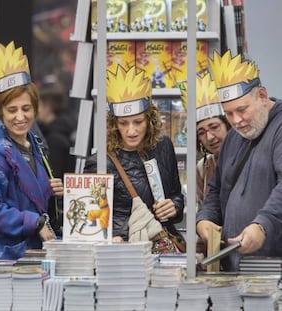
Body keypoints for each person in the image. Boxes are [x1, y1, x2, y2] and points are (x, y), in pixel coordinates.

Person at [0, 41, 64, 260]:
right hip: (2, 258)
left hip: (32, 255)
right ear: (0, 111)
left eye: (26, 109)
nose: (20, 117)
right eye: (12, 110)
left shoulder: (34, 145)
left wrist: (53, 189)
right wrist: (34, 222)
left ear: (36, 109)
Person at [196, 50, 282, 271]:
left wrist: (263, 225)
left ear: (262, 96)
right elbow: (215, 188)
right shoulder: (234, 137)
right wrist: (204, 219)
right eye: (229, 114)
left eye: (242, 110)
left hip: (273, 266)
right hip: (236, 267)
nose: (237, 121)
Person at [83, 64, 184, 245]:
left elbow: (176, 194)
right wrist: (111, 237)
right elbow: (90, 219)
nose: (131, 131)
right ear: (114, 124)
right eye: (123, 123)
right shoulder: (100, 162)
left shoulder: (163, 146)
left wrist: (174, 207)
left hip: (160, 243)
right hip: (124, 248)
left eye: (138, 122)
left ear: (150, 120)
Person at [180, 73, 231, 206]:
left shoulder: (251, 158)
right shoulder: (202, 168)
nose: (209, 137)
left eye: (214, 127)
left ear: (228, 125)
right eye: (201, 132)